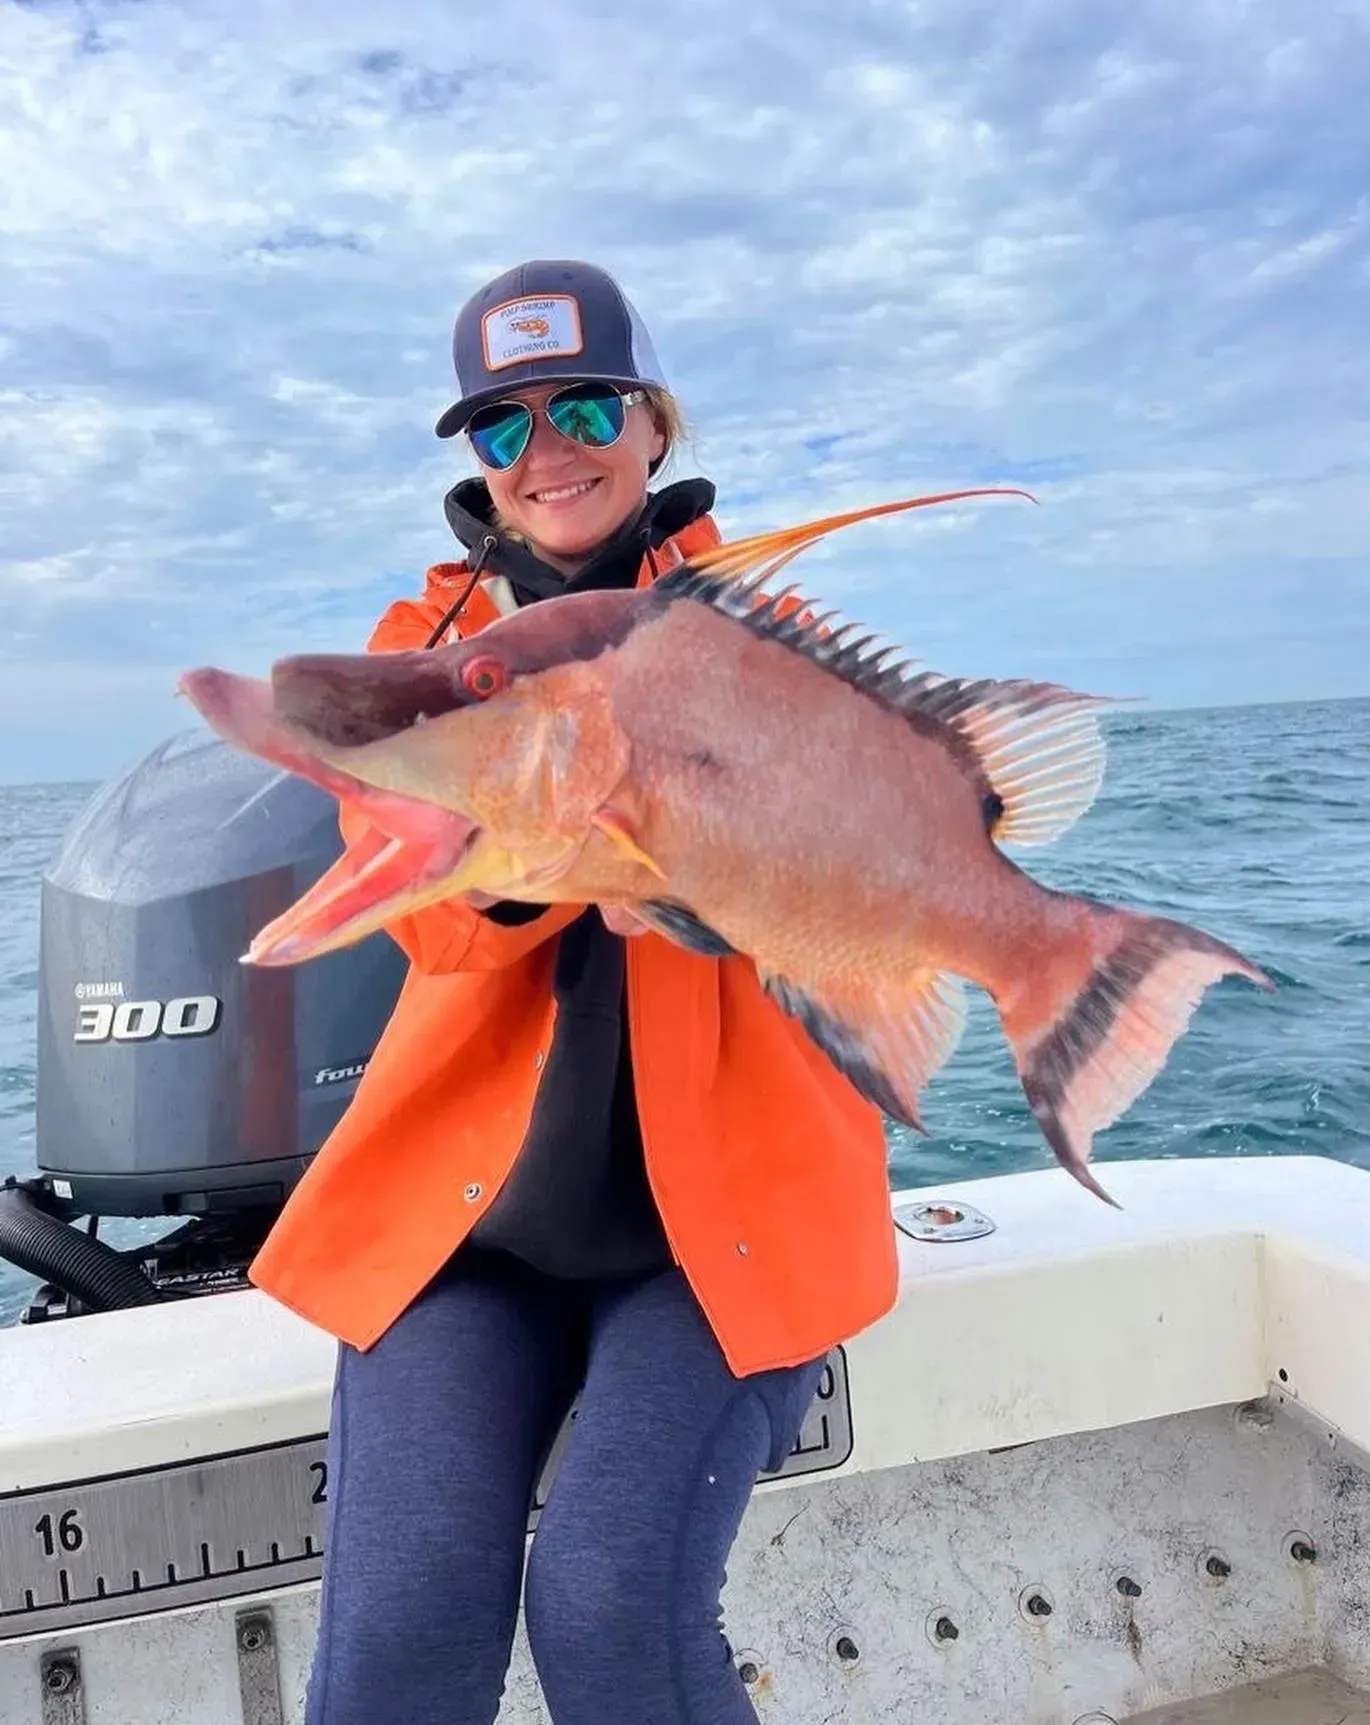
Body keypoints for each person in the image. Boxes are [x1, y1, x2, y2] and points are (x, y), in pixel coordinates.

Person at [247, 260, 900, 1724]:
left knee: (611, 1601)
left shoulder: (765, 624)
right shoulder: (427, 655)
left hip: (725, 1223)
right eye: (501, 427)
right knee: (403, 1624)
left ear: (654, 422)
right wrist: (540, 843)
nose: (547, 451)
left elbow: (840, 885)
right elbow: (423, 910)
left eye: (586, 403)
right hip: (472, 1227)